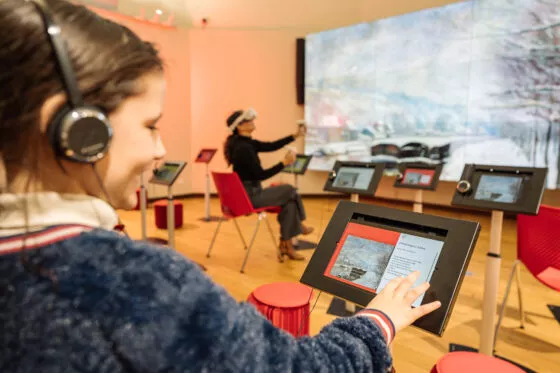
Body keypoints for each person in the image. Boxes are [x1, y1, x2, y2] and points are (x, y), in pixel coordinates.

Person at [0, 1, 441, 372]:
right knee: (288, 191)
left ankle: (291, 238)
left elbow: (267, 145)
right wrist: (380, 321)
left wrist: (288, 144)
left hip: (242, 194)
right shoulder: (138, 281)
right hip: (250, 197)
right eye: (151, 125)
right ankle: (291, 238)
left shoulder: (240, 143)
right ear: (76, 132)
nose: (160, 148)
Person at [224, 109, 311, 261]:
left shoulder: (245, 143)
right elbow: (261, 175)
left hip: (250, 193)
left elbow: (271, 146)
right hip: (251, 197)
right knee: (290, 190)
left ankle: (287, 246)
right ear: (239, 126)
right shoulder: (243, 148)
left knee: (289, 204)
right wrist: (284, 163)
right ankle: (300, 224)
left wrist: (295, 135)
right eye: (248, 120)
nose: (252, 121)